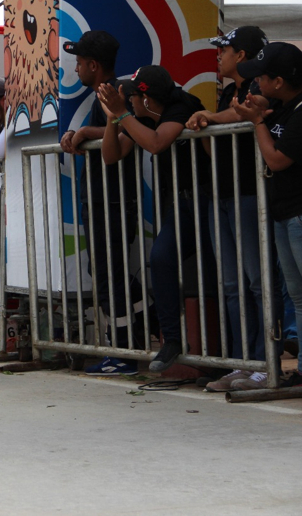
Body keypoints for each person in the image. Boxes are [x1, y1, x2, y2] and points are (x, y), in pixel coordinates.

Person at [98, 65, 214, 373]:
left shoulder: (181, 104)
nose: (131, 103)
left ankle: (235, 358)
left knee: (228, 278)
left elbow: (157, 143)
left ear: (146, 98)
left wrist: (122, 115)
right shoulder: (141, 114)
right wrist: (114, 118)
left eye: (133, 96)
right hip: (183, 203)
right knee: (161, 258)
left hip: (211, 200)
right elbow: (111, 155)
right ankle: (172, 340)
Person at [186, 26, 279, 391]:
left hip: (250, 194)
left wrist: (208, 116)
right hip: (222, 194)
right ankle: (242, 361)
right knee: (231, 284)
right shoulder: (228, 92)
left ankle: (264, 361)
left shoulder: (258, 89)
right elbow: (222, 132)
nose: (218, 56)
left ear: (241, 55)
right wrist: (208, 121)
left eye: (223, 50)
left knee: (259, 281)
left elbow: (242, 118)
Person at [60, 30, 144, 375]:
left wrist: (86, 133)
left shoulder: (117, 92)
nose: (76, 68)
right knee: (107, 272)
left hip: (112, 200)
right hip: (100, 199)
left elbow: (129, 128)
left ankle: (125, 350)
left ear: (94, 65)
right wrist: (82, 133)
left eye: (79, 62)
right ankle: (136, 335)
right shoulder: (103, 96)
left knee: (110, 275)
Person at [233, 42, 302, 389]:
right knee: (298, 297)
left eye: (261, 77)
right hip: (283, 214)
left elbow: (276, 160)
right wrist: (260, 110)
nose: (256, 82)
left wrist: (258, 121)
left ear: (279, 81)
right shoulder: (283, 105)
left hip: (298, 216)